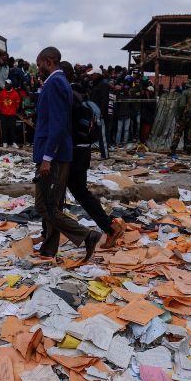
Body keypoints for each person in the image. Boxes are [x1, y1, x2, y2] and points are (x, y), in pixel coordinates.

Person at [33, 47, 101, 261]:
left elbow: (58, 123)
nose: (38, 69)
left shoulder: (55, 83)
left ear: (48, 62)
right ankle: (49, 248)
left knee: (44, 205)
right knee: (53, 204)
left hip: (54, 156)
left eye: (39, 65)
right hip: (57, 154)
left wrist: (47, 157)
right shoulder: (58, 82)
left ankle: (87, 235)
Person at [62, 63, 124, 248]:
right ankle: (110, 226)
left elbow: (66, 127)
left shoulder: (69, 96)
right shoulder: (81, 94)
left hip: (72, 152)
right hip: (83, 150)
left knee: (63, 194)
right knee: (80, 193)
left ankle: (109, 227)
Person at [170, 79, 191, 155]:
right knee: (190, 133)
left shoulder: (185, 92)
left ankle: (173, 149)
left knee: (178, 132)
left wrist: (179, 116)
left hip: (184, 115)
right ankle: (187, 150)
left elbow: (182, 105)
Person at [0, 78, 21, 148]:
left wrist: (15, 110)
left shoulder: (15, 93)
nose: (6, 85)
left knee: (12, 128)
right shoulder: (2, 93)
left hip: (12, 114)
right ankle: (5, 142)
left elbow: (17, 103)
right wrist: (1, 110)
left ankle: (14, 142)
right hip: (4, 113)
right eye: (5, 84)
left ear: (11, 85)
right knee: (4, 128)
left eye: (7, 84)